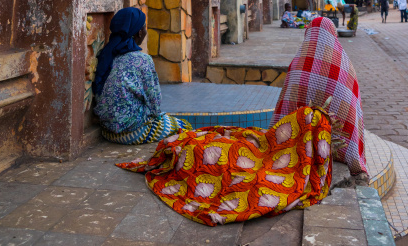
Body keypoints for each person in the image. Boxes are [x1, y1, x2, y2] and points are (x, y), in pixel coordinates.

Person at [118, 107, 333, 225]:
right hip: (255, 146)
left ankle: (181, 151)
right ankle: (182, 150)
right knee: (207, 143)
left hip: (249, 152)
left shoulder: (290, 166)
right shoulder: (294, 146)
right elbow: (272, 140)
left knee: (207, 151)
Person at [271, 17, 367, 178]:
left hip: (296, 143)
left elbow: (286, 107)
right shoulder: (345, 67)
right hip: (337, 145)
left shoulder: (298, 65)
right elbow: (352, 105)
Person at [93, 7, 191, 144]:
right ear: (139, 32)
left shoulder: (106, 56)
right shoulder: (142, 60)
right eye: (144, 27)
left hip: (107, 131)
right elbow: (155, 104)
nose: (145, 31)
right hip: (130, 133)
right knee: (183, 126)